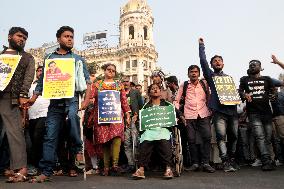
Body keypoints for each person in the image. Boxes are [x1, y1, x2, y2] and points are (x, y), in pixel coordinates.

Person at [28, 26, 91, 182]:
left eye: (71, 36)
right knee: (50, 136)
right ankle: (46, 171)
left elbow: (88, 82)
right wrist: (33, 98)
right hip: (54, 103)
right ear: (58, 39)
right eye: (66, 36)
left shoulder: (77, 59)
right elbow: (42, 82)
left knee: (72, 117)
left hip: (72, 100)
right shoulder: (49, 58)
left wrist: (86, 100)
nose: (69, 39)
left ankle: (77, 149)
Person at [0, 27, 35, 182]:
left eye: (25, 38)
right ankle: (5, 167)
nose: (22, 39)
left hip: (11, 97)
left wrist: (22, 94)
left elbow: (28, 78)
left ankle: (21, 168)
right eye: (19, 36)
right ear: (9, 37)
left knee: (15, 133)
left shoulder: (27, 57)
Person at [198, 38, 239, 172]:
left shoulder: (229, 78)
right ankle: (225, 161)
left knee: (234, 136)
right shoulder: (210, 76)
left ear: (223, 63)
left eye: (219, 60)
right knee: (221, 137)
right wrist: (201, 46)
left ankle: (232, 159)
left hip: (232, 111)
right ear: (211, 64)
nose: (217, 62)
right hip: (219, 111)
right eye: (214, 61)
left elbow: (235, 93)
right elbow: (203, 61)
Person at [239, 60, 283, 171]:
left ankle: (269, 158)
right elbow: (239, 91)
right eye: (250, 65)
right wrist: (244, 94)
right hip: (253, 113)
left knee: (268, 138)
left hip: (267, 113)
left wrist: (273, 95)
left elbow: (273, 91)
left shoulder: (267, 79)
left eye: (255, 65)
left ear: (260, 67)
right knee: (260, 137)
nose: (252, 66)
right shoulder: (244, 79)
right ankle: (266, 161)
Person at [91, 63, 131, 176]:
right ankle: (106, 167)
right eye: (109, 69)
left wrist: (127, 114)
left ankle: (115, 165)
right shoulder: (98, 84)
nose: (111, 72)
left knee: (117, 137)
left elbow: (123, 100)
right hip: (102, 115)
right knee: (105, 140)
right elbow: (90, 96)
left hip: (116, 115)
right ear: (105, 71)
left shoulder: (119, 84)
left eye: (113, 70)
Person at [174, 65, 215, 173]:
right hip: (189, 116)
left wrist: (210, 110)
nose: (194, 74)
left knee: (207, 137)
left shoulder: (204, 83)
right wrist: (179, 114)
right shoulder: (184, 85)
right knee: (191, 140)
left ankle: (206, 163)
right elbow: (176, 101)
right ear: (188, 74)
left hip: (204, 114)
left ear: (199, 73)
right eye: (191, 72)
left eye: (196, 72)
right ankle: (195, 163)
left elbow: (209, 98)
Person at [132, 84, 175, 179]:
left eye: (157, 88)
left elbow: (175, 113)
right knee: (145, 141)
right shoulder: (145, 107)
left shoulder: (167, 105)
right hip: (149, 131)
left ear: (160, 91)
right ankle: (141, 169)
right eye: (152, 89)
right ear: (149, 92)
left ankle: (168, 169)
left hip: (163, 130)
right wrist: (136, 117)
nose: (155, 90)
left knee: (164, 141)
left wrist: (180, 117)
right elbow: (140, 118)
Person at [27, 66, 50, 175]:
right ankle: (36, 165)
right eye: (39, 71)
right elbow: (26, 101)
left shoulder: (50, 84)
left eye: (42, 71)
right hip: (32, 115)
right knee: (33, 140)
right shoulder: (31, 86)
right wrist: (24, 117)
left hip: (45, 113)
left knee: (38, 137)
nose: (40, 72)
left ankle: (41, 165)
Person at [122, 76, 143, 172]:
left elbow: (141, 106)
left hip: (134, 119)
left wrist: (137, 115)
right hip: (123, 120)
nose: (126, 83)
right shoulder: (119, 93)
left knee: (136, 141)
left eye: (127, 81)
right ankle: (130, 164)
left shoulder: (136, 92)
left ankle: (138, 163)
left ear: (130, 82)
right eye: (124, 82)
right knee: (126, 143)